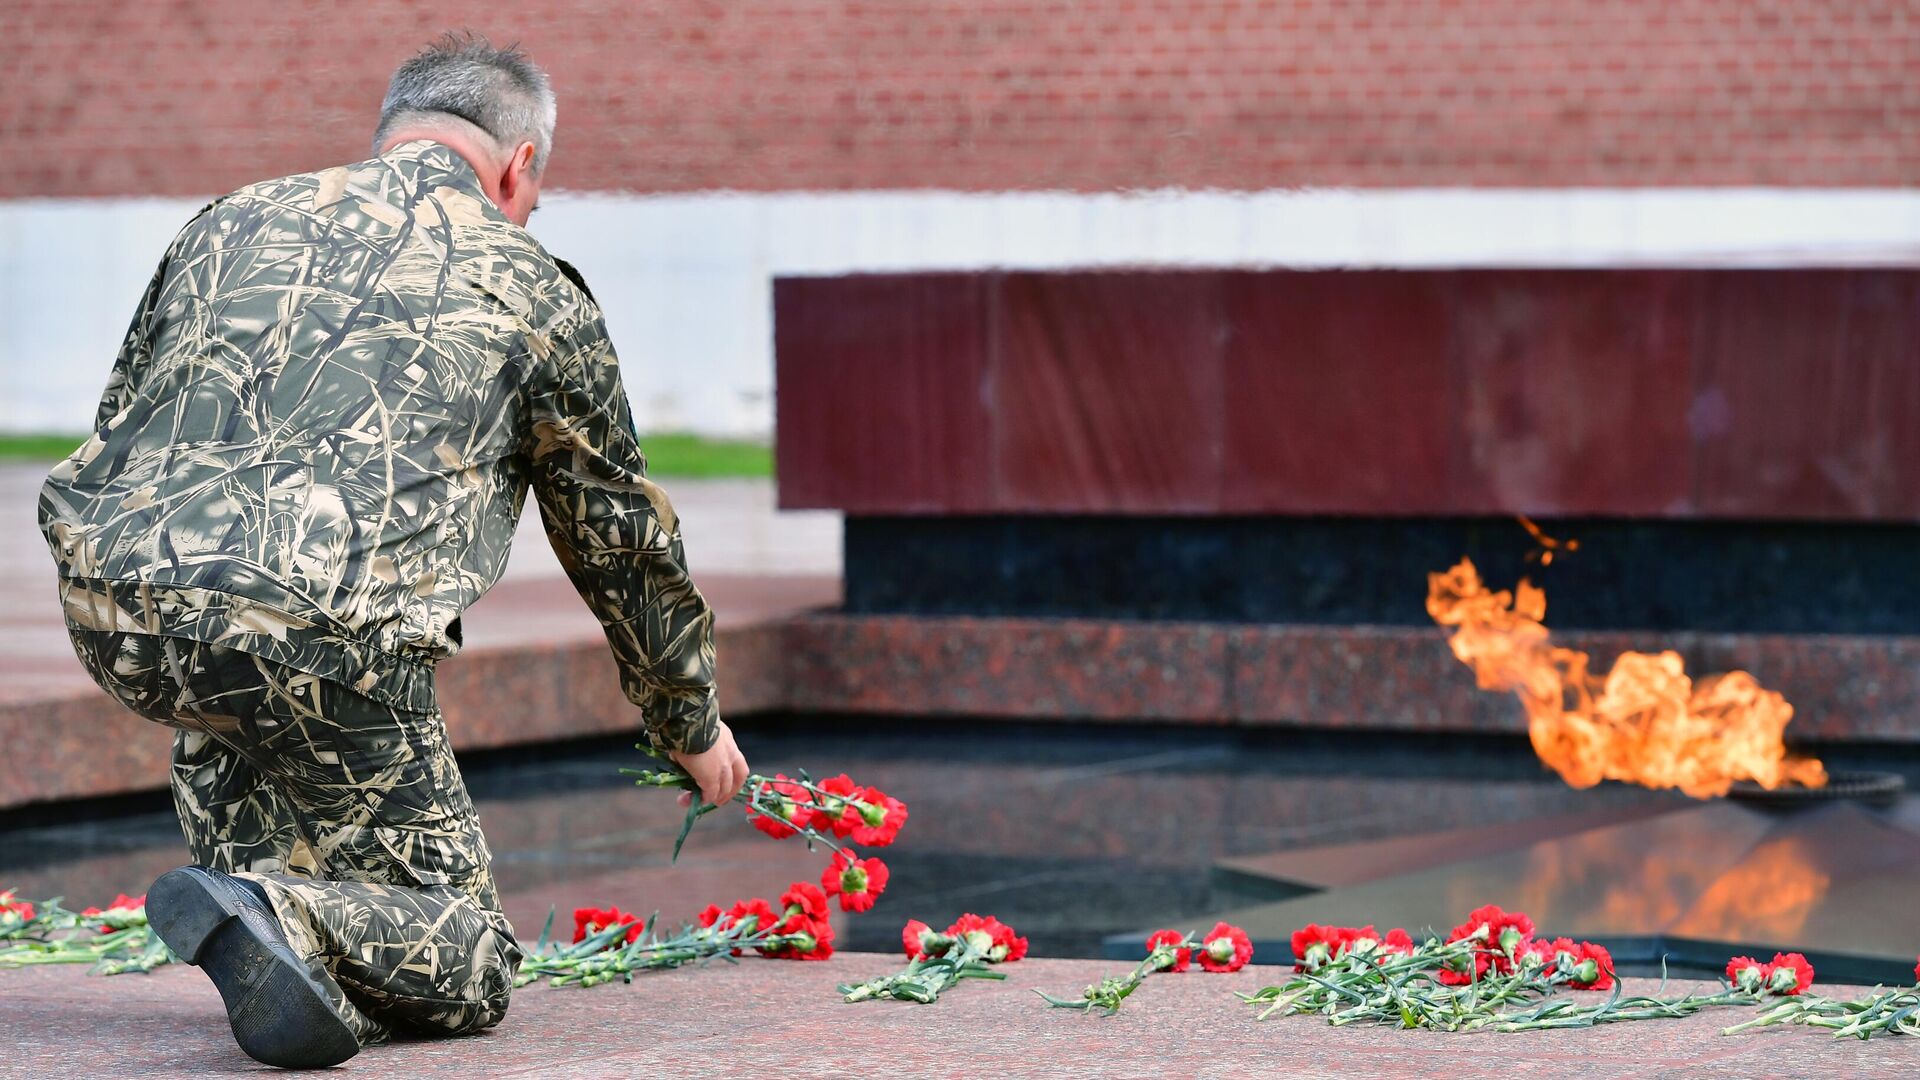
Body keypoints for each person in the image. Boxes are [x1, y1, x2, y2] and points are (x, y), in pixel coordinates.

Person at [37, 33, 749, 1069]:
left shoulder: (228, 221)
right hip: (322, 643)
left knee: (242, 701)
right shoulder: (532, 283)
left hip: (119, 614)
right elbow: (621, 541)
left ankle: (278, 927)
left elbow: (128, 418)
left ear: (394, 134)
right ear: (520, 166)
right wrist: (690, 722)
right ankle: (282, 909)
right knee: (463, 965)